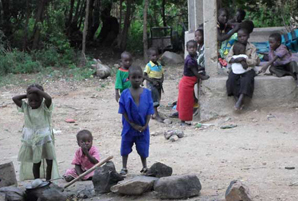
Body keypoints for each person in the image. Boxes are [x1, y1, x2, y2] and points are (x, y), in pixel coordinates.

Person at [12, 84, 59, 181]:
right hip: (32, 139)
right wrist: (28, 95)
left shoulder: (45, 107)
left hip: (45, 137)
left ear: (41, 98)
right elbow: (15, 98)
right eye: (31, 100)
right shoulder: (26, 107)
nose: (33, 103)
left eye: (36, 100)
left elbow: (48, 98)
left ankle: (48, 180)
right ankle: (37, 180)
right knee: (36, 161)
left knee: (49, 159)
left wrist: (37, 92)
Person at [118, 65, 154, 175]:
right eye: (134, 77)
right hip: (129, 127)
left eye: (139, 77)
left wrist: (145, 125)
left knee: (143, 147)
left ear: (143, 78)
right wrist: (132, 124)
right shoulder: (125, 94)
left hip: (143, 127)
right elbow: (123, 111)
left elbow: (149, 110)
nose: (137, 79)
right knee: (125, 146)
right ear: (129, 78)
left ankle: (144, 166)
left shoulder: (147, 93)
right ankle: (124, 167)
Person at [226, 28, 260, 110]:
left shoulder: (252, 47)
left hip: (248, 68)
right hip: (236, 69)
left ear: (248, 36)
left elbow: (254, 61)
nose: (242, 38)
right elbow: (228, 57)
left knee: (246, 80)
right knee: (231, 79)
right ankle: (237, 100)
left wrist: (245, 60)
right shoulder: (234, 46)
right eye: (239, 36)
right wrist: (237, 60)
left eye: (244, 36)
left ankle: (240, 99)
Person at [177, 40, 209, 126]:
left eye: (194, 47)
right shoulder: (189, 60)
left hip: (188, 83)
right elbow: (195, 72)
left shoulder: (194, 57)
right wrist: (203, 77)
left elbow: (197, 66)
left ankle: (184, 120)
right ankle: (182, 121)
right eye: (190, 48)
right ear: (187, 49)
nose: (192, 49)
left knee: (187, 102)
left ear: (197, 48)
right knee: (185, 102)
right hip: (186, 83)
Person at [144, 48, 164, 123]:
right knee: (154, 98)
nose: (155, 57)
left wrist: (161, 80)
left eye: (156, 55)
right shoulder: (148, 65)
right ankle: (156, 115)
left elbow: (162, 73)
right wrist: (152, 81)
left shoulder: (159, 65)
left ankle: (153, 113)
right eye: (153, 56)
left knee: (158, 98)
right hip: (152, 84)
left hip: (159, 84)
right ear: (149, 57)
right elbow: (144, 75)